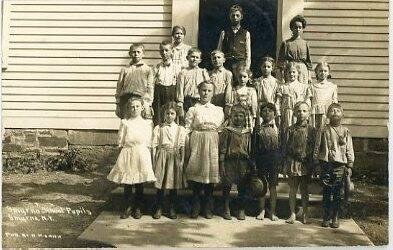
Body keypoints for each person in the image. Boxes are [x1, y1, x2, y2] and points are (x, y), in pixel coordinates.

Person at [107, 96, 156, 219]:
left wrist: (147, 156)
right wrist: (121, 155)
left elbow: (149, 142)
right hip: (128, 152)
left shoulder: (147, 123)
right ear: (128, 108)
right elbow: (121, 140)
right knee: (127, 183)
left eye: (137, 106)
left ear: (142, 107)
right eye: (132, 107)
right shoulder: (125, 123)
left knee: (139, 182)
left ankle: (138, 207)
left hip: (141, 153)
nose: (135, 109)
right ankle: (127, 207)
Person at [185, 81, 225, 219]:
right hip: (198, 139)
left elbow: (220, 129)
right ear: (199, 91)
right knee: (197, 169)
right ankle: (196, 203)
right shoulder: (193, 109)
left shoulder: (217, 110)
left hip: (212, 140)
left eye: (209, 91)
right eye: (203, 90)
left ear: (213, 93)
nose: (205, 93)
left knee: (210, 171)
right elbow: (188, 128)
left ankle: (208, 205)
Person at [314, 103, 354, 228]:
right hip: (326, 164)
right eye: (332, 111)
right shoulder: (323, 129)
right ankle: (326, 216)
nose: (335, 112)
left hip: (340, 165)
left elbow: (349, 149)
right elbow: (317, 147)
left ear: (342, 115)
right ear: (328, 114)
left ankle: (335, 217)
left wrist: (350, 165)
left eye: (338, 111)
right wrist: (316, 163)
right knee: (326, 191)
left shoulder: (345, 131)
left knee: (337, 192)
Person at [152, 102, 187, 219]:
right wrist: (154, 160)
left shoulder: (180, 129)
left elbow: (182, 146)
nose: (169, 116)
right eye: (167, 113)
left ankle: (172, 208)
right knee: (160, 184)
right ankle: (159, 207)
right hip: (162, 155)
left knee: (173, 184)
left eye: (172, 113)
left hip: (174, 156)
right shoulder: (159, 128)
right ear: (163, 114)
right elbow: (154, 146)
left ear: (176, 115)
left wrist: (181, 160)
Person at [282, 101, 316, 224]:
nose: (301, 113)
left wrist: (311, 161)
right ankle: (292, 213)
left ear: (309, 113)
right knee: (293, 188)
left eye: (304, 111)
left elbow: (315, 146)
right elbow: (285, 147)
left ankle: (305, 213)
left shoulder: (312, 130)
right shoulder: (290, 129)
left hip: (306, 163)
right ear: (295, 113)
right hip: (293, 162)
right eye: (299, 111)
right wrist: (285, 164)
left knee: (304, 189)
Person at [219, 104, 252, 220]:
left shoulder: (247, 132)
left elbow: (249, 148)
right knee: (227, 185)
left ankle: (240, 209)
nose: (238, 118)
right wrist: (222, 162)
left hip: (243, 162)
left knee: (242, 186)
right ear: (231, 117)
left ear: (245, 117)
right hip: (229, 161)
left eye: (241, 116)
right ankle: (226, 208)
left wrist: (250, 163)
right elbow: (223, 147)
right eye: (235, 116)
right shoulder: (227, 131)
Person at [253, 103, 280, 221]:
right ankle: (262, 210)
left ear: (274, 113)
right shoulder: (258, 129)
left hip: (274, 159)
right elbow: (254, 147)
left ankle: (273, 212)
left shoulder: (279, 128)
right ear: (261, 114)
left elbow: (282, 145)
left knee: (273, 186)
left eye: (270, 111)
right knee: (262, 185)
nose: (267, 113)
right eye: (264, 111)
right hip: (261, 159)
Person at [115, 43, 154, 120]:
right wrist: (118, 103)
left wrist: (148, 103)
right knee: (126, 122)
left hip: (141, 100)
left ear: (143, 54)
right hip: (126, 100)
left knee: (140, 123)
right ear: (130, 54)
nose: (136, 54)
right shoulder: (125, 69)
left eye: (138, 52)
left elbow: (150, 87)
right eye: (133, 52)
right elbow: (119, 86)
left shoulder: (147, 69)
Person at [152, 41, 182, 125]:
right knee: (158, 117)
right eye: (162, 51)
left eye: (166, 50)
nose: (164, 53)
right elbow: (151, 84)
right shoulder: (156, 67)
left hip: (172, 92)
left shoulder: (177, 67)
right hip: (159, 94)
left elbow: (180, 84)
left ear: (172, 51)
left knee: (171, 115)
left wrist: (179, 99)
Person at [176, 48, 210, 122]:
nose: (194, 59)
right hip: (187, 101)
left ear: (200, 60)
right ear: (187, 58)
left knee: (198, 121)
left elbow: (208, 87)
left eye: (197, 57)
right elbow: (180, 88)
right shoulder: (183, 72)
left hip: (199, 101)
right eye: (192, 57)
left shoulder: (203, 72)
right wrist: (180, 102)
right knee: (186, 121)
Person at [276, 62, 311, 131]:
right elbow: (278, 102)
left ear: (298, 73)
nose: (292, 74)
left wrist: (306, 113)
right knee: (287, 131)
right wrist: (279, 114)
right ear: (286, 74)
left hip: (300, 113)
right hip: (287, 113)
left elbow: (307, 101)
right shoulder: (283, 87)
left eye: (294, 72)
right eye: (289, 72)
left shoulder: (303, 87)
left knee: (299, 130)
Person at [277, 15, 312, 84]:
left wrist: (309, 76)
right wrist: (282, 77)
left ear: (302, 29)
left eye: (300, 27)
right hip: (291, 69)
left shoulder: (305, 43)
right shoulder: (286, 43)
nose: (298, 29)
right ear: (292, 28)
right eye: (295, 27)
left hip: (302, 70)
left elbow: (308, 62)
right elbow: (281, 62)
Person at [217, 4, 251, 72]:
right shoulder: (224, 33)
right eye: (233, 15)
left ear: (241, 17)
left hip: (241, 65)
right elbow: (219, 51)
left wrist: (247, 67)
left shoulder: (246, 33)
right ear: (230, 17)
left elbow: (248, 52)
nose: (235, 17)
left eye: (237, 15)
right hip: (227, 64)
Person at [226, 64, 257, 131]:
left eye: (244, 77)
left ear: (248, 77)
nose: (242, 79)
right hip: (236, 117)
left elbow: (254, 105)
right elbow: (230, 104)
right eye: (240, 77)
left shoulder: (251, 90)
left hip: (247, 116)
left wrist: (254, 117)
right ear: (237, 77)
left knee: (246, 134)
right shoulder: (233, 90)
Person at [310, 61, 338, 129]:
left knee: (327, 133)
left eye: (325, 71)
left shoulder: (332, 86)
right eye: (320, 71)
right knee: (316, 133)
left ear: (328, 72)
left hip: (327, 114)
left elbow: (335, 101)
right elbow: (308, 101)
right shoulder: (312, 86)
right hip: (315, 115)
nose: (323, 73)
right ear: (316, 72)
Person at [254, 57, 281, 126]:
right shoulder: (257, 82)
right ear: (261, 67)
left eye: (268, 67)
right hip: (261, 108)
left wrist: (277, 111)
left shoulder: (276, 82)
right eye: (264, 66)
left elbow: (277, 98)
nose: (266, 68)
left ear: (272, 68)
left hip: (272, 107)